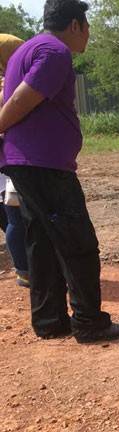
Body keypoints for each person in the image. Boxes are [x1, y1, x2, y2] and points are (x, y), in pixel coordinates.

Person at [0, 0, 119, 342]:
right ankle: (89, 322)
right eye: (87, 27)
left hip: (26, 163)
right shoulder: (54, 51)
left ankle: (49, 320)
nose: (88, 34)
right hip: (44, 164)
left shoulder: (25, 50)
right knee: (78, 242)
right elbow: (20, 100)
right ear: (74, 25)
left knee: (43, 242)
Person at [0, 33, 28, 287]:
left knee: (10, 215)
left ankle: (25, 267)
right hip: (9, 161)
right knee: (16, 216)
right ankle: (25, 270)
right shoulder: (7, 87)